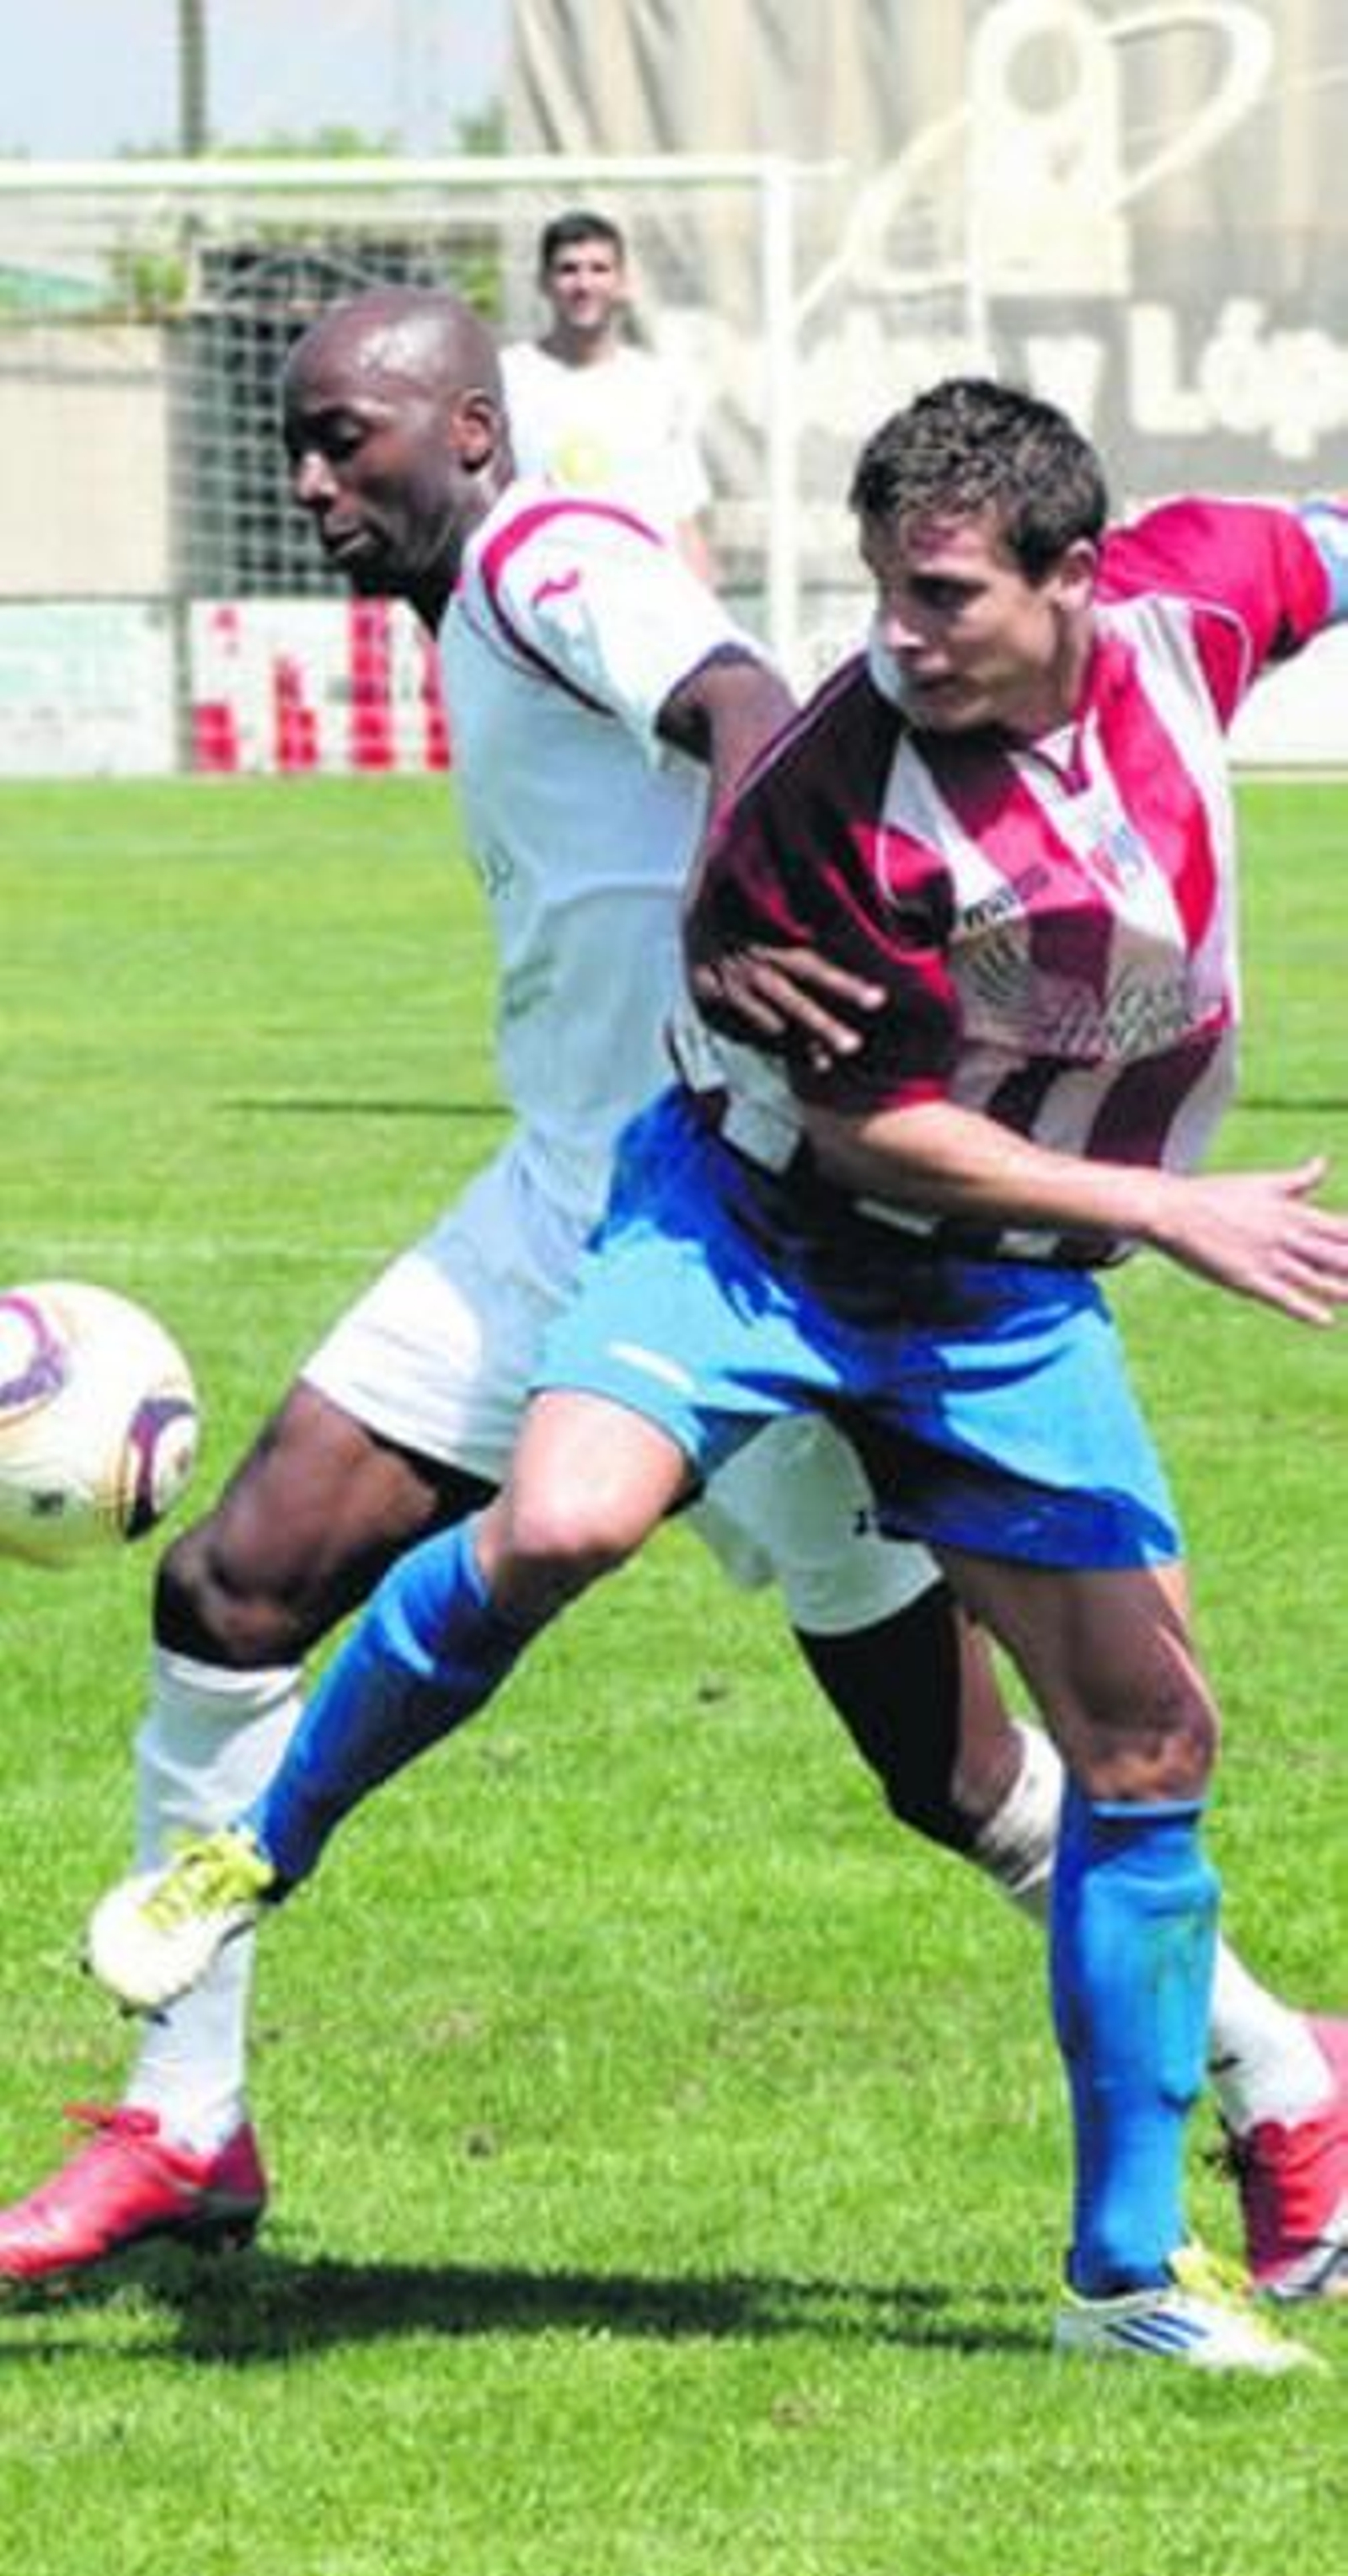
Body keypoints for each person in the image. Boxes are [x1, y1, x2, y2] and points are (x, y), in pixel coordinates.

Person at [86, 363, 1348, 2366]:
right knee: (567, 1513)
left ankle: (1132, 2265)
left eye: (942, 596)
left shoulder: (1195, 603)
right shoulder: (831, 796)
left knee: (1135, 1747)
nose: (897, 638)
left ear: (1074, 577)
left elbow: (1319, 553)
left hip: (997, 1303)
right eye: (881, 592)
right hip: (751, 1226)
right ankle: (255, 1851)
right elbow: (868, 1130)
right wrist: (1171, 1207)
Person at [500, 207, 716, 581]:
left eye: (599, 269)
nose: (584, 284)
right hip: (536, 596)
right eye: (568, 269)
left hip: (637, 598)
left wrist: (708, 619)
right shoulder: (507, 376)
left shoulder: (658, 386)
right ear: (543, 283)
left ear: (623, 283)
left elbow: (684, 520)